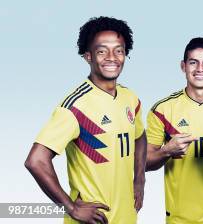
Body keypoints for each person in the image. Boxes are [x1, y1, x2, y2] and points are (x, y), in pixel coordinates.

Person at [25, 16, 146, 224]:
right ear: (88, 56)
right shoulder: (75, 106)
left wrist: (140, 180)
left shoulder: (131, 98)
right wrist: (71, 207)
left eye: (118, 50)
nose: (111, 57)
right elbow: (36, 161)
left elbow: (140, 136)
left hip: (127, 216)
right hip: (93, 220)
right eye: (102, 51)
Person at [145, 37, 203, 223]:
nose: (200, 69)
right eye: (193, 62)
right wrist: (166, 151)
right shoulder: (163, 109)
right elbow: (145, 163)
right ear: (183, 66)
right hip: (180, 219)